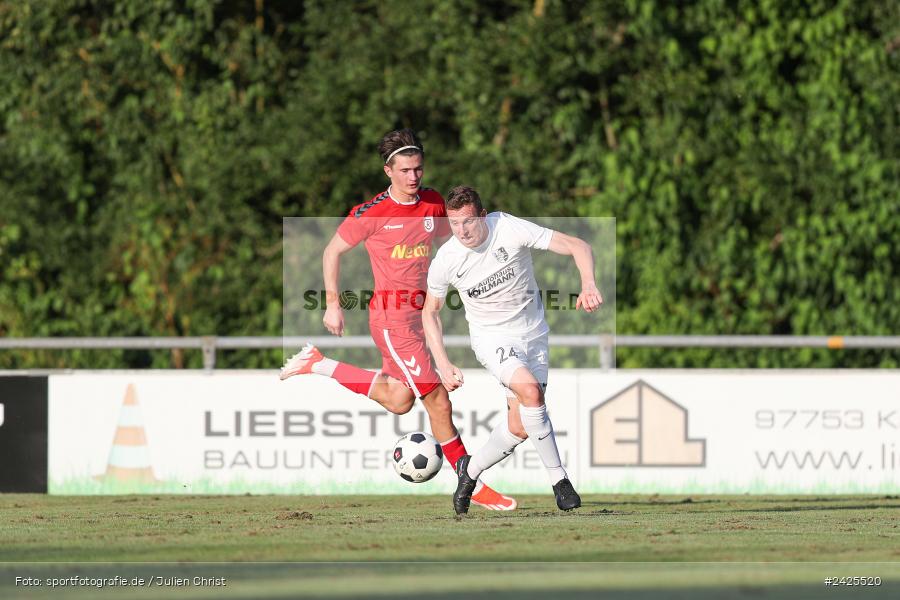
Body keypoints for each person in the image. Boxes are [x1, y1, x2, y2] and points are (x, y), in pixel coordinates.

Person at [280, 130, 516, 511]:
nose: (413, 177)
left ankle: (318, 363)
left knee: (401, 399)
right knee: (438, 401)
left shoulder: (434, 203)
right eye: (405, 170)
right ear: (387, 170)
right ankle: (471, 484)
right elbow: (331, 252)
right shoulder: (370, 213)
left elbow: (449, 247)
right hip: (392, 321)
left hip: (420, 317)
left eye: (418, 169)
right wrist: (332, 304)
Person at [421, 185, 602, 514]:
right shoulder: (447, 258)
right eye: (455, 223)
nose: (462, 231)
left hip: (534, 335)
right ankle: (560, 482)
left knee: (519, 426)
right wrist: (443, 364)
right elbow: (429, 312)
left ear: (483, 214)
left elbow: (578, 246)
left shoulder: (508, 227)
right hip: (492, 339)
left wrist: (588, 283)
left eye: (468, 222)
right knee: (532, 393)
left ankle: (469, 471)